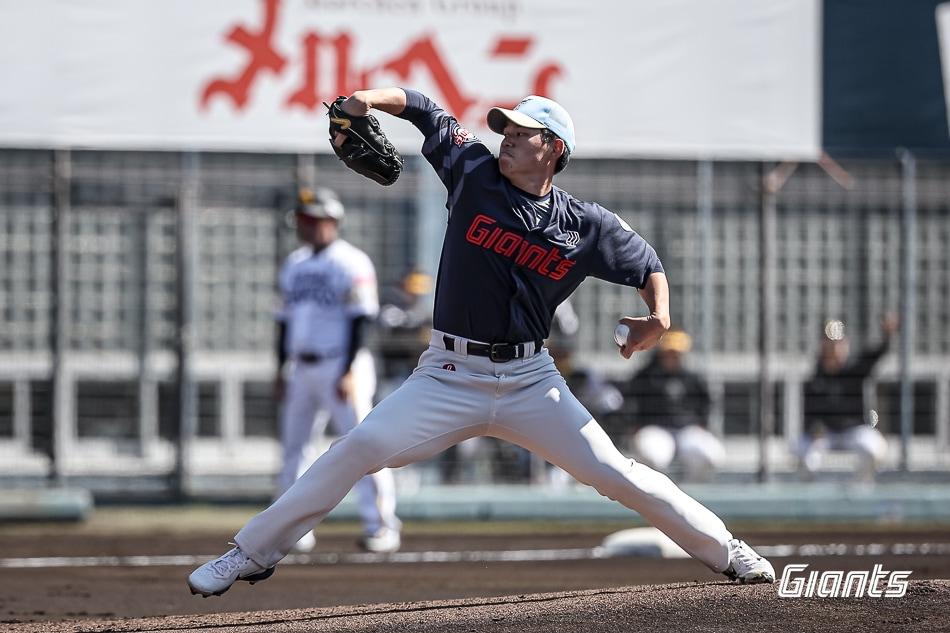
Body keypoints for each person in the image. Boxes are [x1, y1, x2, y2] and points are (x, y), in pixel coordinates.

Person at [188, 88, 774, 597]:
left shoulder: (586, 225)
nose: (509, 138)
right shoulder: (473, 172)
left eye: (524, 133)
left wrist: (659, 317)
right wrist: (364, 101)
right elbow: (420, 107)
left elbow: (647, 263)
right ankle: (250, 553)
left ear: (555, 151)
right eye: (507, 129)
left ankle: (728, 551)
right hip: (447, 373)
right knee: (356, 448)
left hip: (530, 381)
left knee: (618, 474)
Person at [272, 187, 401, 554]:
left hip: (342, 364)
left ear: (333, 222)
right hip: (301, 366)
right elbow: (282, 322)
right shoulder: (294, 263)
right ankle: (292, 529)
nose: (306, 227)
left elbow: (361, 319)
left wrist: (346, 370)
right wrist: (280, 369)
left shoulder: (352, 261)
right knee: (294, 450)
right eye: (303, 221)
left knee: (365, 444)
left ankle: (381, 525)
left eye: (313, 220)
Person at [798, 315, 897, 482]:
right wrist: (814, 429)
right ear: (823, 346)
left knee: (873, 448)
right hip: (827, 433)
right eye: (830, 343)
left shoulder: (853, 370)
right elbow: (809, 414)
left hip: (854, 429)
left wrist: (887, 335)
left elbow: (875, 355)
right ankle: (813, 499)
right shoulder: (816, 378)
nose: (835, 348)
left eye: (838, 343)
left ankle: (860, 489)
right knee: (805, 456)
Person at [624, 330, 724, 482]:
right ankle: (655, 495)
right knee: (653, 455)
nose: (672, 357)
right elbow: (630, 402)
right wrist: (634, 425)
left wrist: (703, 424)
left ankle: (691, 492)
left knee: (710, 455)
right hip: (656, 429)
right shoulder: (645, 377)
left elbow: (706, 403)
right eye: (669, 353)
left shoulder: (691, 378)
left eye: (676, 354)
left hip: (687, 429)